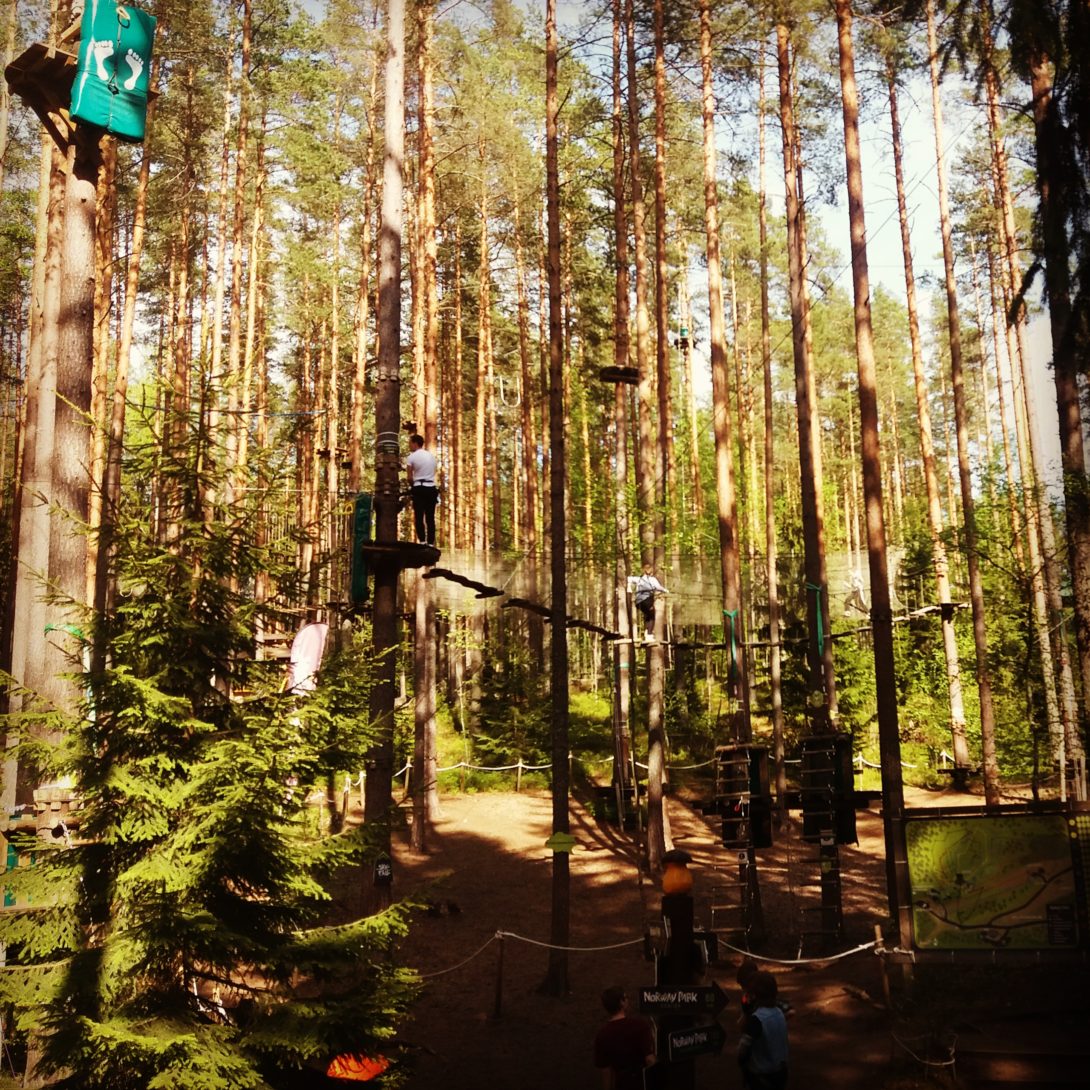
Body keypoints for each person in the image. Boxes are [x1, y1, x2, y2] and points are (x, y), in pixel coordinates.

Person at [593, 986, 656, 1090]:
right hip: (640, 1082)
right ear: (622, 1002)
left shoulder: (602, 1035)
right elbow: (650, 1059)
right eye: (626, 997)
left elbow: (606, 1071)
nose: (628, 999)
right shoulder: (640, 1025)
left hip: (621, 1084)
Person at [737, 970, 789, 1090]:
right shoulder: (780, 1013)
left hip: (761, 1077)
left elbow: (742, 1050)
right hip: (781, 1074)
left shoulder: (757, 1020)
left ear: (755, 995)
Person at [406, 434, 438, 546]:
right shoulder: (431, 457)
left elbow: (409, 477)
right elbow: (433, 471)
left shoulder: (411, 457)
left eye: (410, 442)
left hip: (419, 487)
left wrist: (412, 486)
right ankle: (430, 543)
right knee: (430, 517)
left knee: (419, 516)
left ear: (415, 443)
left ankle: (422, 541)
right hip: (431, 488)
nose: (409, 445)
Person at [627, 566, 669, 642]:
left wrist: (632, 588)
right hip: (646, 600)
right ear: (651, 572)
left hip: (638, 602)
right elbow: (658, 587)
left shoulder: (638, 579)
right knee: (652, 615)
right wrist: (665, 590)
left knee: (648, 616)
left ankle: (647, 633)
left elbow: (628, 579)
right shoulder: (652, 579)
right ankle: (649, 635)